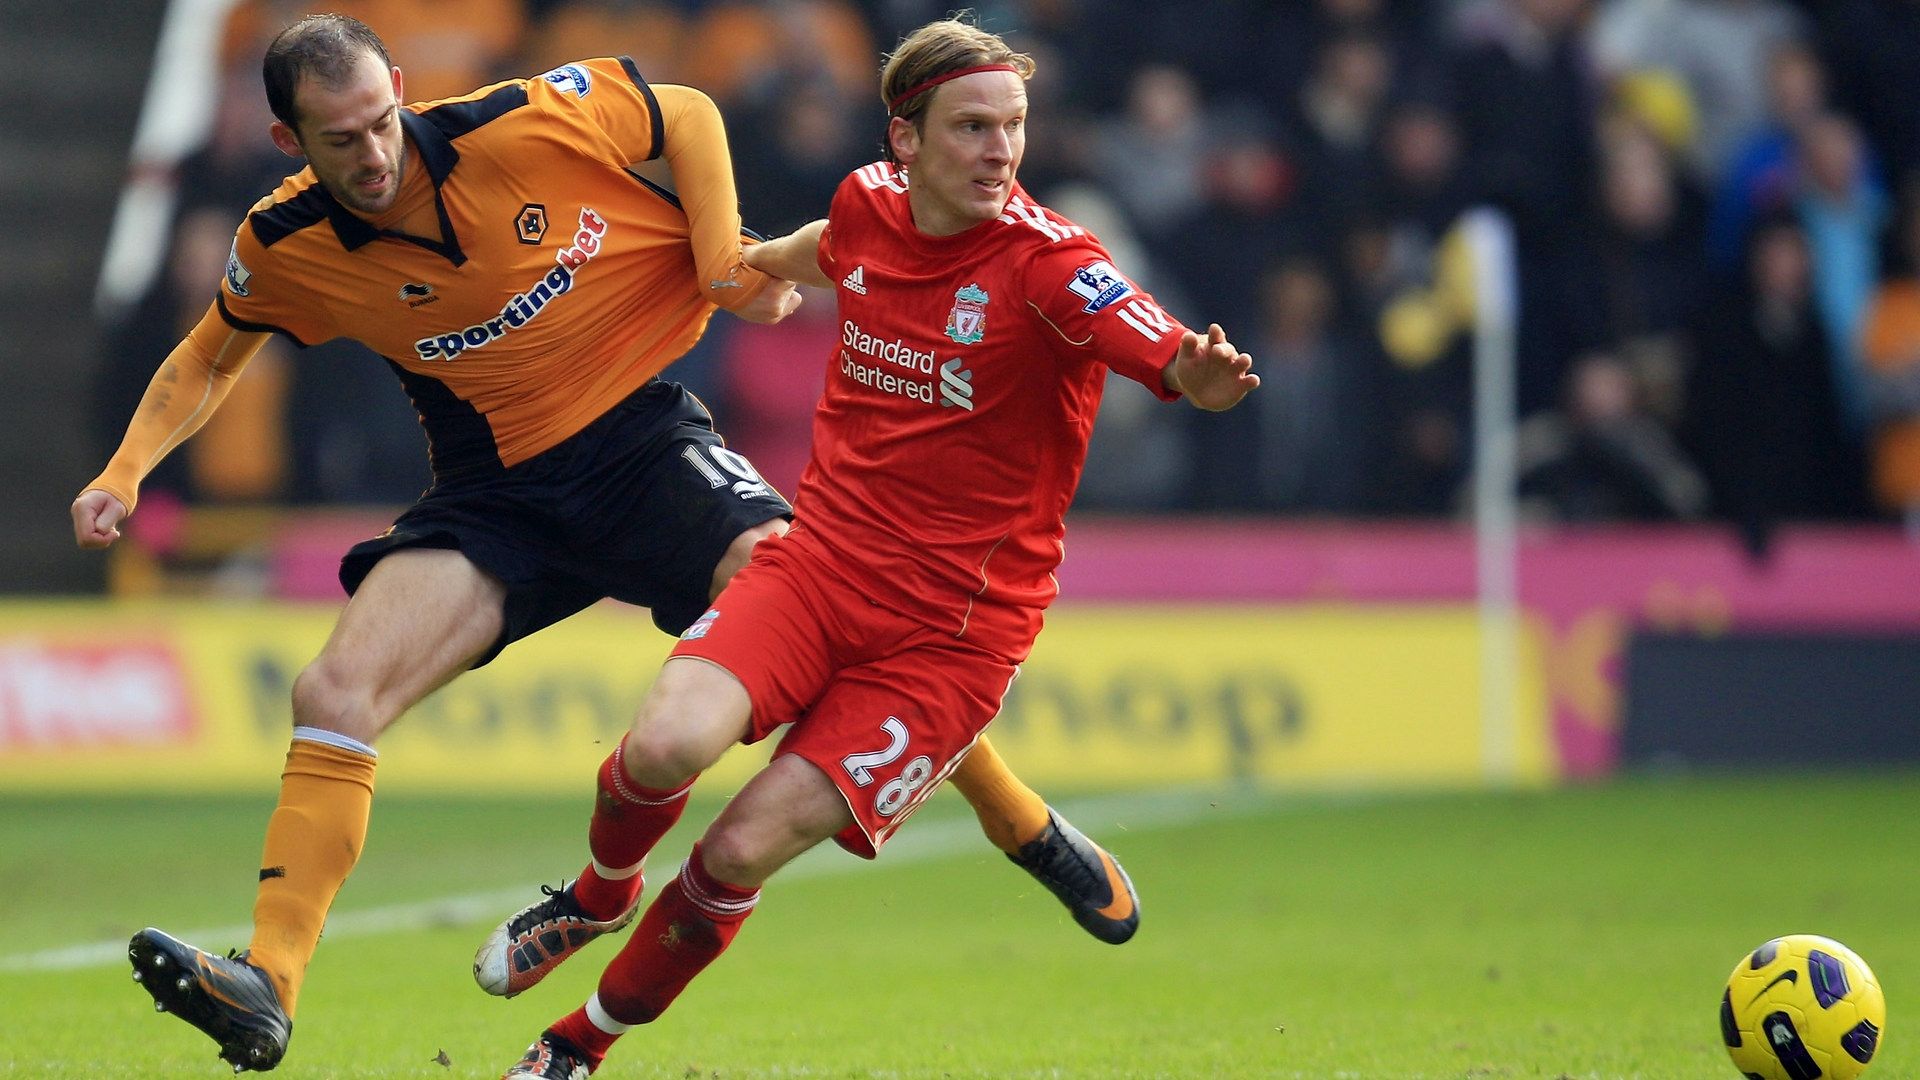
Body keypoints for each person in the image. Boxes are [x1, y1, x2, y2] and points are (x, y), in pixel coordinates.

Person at [72, 15, 1139, 1073]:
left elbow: (685, 110)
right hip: (494, 495)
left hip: (640, 443)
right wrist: (125, 471)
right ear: (288, 143)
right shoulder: (283, 240)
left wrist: (722, 255)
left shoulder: (514, 126)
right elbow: (208, 358)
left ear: (400, 87)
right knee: (334, 692)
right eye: (340, 139)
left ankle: (1020, 822)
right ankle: (269, 985)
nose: (373, 153)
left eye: (381, 121)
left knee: (813, 602)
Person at [490, 18, 1258, 1079]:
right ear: (906, 138)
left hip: (950, 640)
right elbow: (832, 245)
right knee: (663, 746)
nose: (1001, 152)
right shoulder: (867, 204)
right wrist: (756, 264)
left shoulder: (1051, 266)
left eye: (1014, 127)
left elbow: (1156, 344)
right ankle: (598, 895)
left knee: (737, 851)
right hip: (820, 570)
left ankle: (579, 1045)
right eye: (974, 128)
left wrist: (1195, 374)